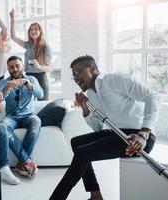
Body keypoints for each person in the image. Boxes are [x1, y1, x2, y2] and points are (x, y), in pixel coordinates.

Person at [50, 55, 160, 200]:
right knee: (76, 142)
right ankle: (95, 195)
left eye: (77, 72)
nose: (75, 78)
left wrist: (144, 133)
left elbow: (152, 97)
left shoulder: (114, 80)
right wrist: (84, 108)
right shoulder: (91, 95)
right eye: (73, 76)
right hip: (118, 134)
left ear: (93, 69)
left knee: (83, 153)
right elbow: (97, 128)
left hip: (137, 138)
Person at [0, 56, 44, 177]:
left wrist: (28, 84)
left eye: (17, 66)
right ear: (8, 68)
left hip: (28, 115)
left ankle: (21, 163)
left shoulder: (31, 79)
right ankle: (26, 161)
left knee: (36, 121)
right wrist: (8, 87)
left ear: (22, 66)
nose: (15, 69)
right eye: (11, 67)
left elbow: (41, 95)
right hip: (11, 117)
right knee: (2, 126)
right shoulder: (3, 82)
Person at [9, 9, 52, 100]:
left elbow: (50, 68)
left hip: (40, 78)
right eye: (31, 29)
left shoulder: (45, 47)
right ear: (29, 32)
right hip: (28, 76)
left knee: (42, 103)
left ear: (40, 32)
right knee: (29, 103)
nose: (33, 31)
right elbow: (13, 37)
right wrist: (12, 18)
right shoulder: (28, 45)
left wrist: (39, 66)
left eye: (36, 29)